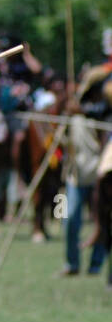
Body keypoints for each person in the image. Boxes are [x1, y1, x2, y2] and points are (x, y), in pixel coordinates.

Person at [58, 99, 107, 276]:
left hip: (98, 175)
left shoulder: (101, 115)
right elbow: (61, 141)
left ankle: (96, 264)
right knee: (70, 218)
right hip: (76, 176)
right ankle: (72, 264)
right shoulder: (72, 119)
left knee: (102, 222)